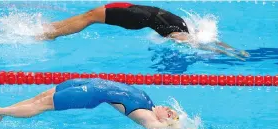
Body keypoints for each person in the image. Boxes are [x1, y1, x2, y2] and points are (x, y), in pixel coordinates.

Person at [37, 2, 249, 60]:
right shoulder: (183, 25)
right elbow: (207, 39)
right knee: (89, 15)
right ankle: (52, 29)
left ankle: (51, 32)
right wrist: (231, 49)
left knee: (90, 17)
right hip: (136, 13)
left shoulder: (176, 29)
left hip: (136, 16)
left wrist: (224, 52)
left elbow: (193, 41)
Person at [0, 79, 186, 129]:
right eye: (171, 111)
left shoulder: (147, 116)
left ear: (162, 120)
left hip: (90, 94)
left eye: (170, 115)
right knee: (41, 96)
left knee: (42, 106)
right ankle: (2, 112)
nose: (170, 111)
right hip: (89, 82)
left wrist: (173, 126)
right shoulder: (149, 103)